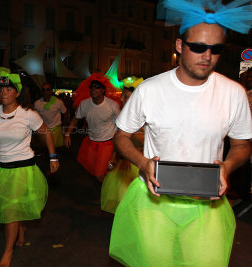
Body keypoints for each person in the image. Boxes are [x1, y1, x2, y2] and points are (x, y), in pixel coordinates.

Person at [110, 1, 252, 266]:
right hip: (153, 204)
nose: (207, 56)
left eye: (216, 49)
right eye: (198, 47)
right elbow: (121, 136)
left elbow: (242, 144)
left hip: (206, 208)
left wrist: (227, 167)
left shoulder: (234, 93)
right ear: (179, 46)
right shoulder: (150, 89)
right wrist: (143, 163)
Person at [0, 67, 59, 267]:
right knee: (11, 209)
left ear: (18, 92)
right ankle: (20, 228)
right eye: (2, 89)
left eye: (9, 89)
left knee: (10, 212)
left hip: (23, 168)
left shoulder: (27, 114)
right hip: (0, 168)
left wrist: (53, 157)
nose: (4, 92)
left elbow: (46, 132)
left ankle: (8, 251)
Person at [65, 73, 121, 183]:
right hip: (91, 142)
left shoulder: (112, 105)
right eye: (92, 86)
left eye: (97, 86)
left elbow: (120, 127)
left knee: (99, 174)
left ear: (103, 90)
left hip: (108, 144)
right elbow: (76, 119)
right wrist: (67, 134)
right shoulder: (84, 104)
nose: (93, 89)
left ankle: (106, 195)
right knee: (92, 170)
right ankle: (106, 188)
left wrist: (115, 151)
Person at [101, 86, 143, 213]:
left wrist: (129, 158)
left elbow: (148, 142)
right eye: (122, 95)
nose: (121, 99)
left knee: (134, 201)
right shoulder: (124, 115)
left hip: (138, 164)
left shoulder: (143, 116)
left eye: (125, 96)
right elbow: (118, 138)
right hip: (125, 162)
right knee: (123, 200)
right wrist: (114, 156)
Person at [34, 82, 69, 148]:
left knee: (53, 149)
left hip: (55, 129)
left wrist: (65, 127)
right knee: (45, 149)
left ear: (51, 91)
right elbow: (35, 118)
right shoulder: (37, 103)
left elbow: (66, 113)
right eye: (43, 90)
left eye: (48, 89)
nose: (45, 91)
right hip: (43, 130)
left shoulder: (58, 102)